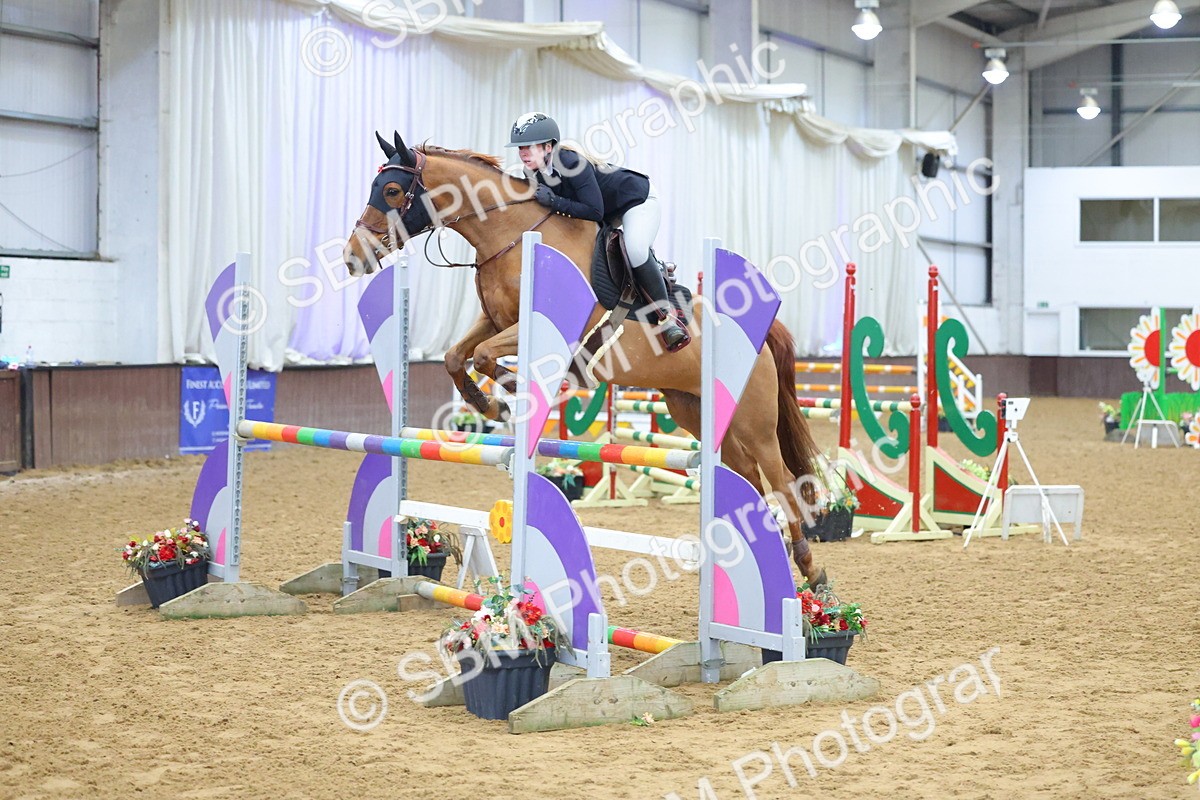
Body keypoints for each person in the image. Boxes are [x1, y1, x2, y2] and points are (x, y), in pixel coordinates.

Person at [505, 112, 689, 352]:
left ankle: (667, 316)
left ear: (548, 146)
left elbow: (593, 209)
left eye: (528, 147)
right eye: (520, 148)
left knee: (635, 249)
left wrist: (555, 201)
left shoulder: (569, 162)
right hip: (605, 211)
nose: (523, 153)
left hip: (636, 201)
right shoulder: (534, 173)